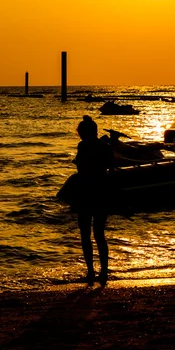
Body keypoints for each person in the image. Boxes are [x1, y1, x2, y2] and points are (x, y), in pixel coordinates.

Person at [74, 115, 114, 285]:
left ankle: (91, 271)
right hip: (101, 192)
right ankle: (103, 271)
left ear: (85, 133)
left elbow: (80, 167)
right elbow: (111, 168)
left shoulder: (83, 146)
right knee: (99, 234)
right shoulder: (104, 146)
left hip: (85, 192)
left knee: (85, 234)